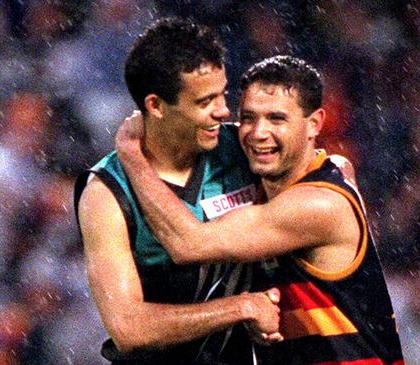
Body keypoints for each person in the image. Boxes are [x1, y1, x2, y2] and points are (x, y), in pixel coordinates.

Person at [115, 55, 406, 364]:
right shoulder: (289, 185)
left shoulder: (318, 205)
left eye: (276, 119)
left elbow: (189, 244)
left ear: (315, 124)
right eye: (249, 118)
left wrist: (133, 156)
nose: (258, 132)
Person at [75, 18, 281, 365]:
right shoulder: (106, 194)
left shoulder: (244, 148)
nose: (223, 111)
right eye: (204, 101)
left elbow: (326, 173)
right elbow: (128, 327)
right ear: (155, 106)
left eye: (223, 93)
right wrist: (239, 307)